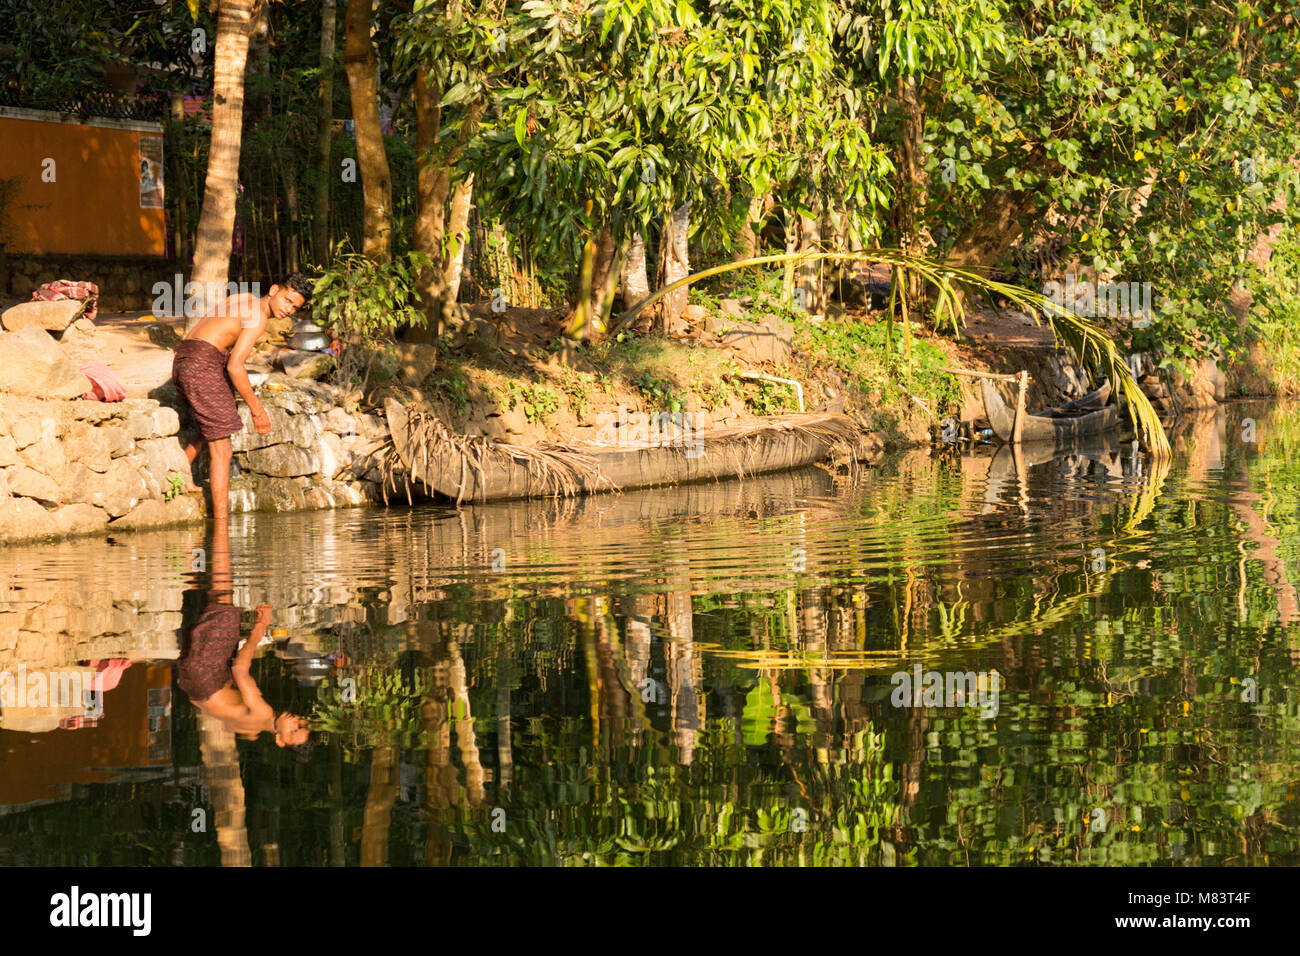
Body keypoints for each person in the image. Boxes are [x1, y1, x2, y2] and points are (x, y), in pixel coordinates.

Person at [172, 274, 311, 522]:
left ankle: (179, 470)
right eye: (287, 300)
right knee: (223, 449)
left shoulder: (243, 297)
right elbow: (236, 366)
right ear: (274, 289)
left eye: (294, 307)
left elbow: (203, 328)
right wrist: (258, 410)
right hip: (201, 363)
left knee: (223, 420)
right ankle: (222, 524)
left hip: (185, 357)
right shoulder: (257, 316)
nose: (288, 309)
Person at [177, 516, 312, 748]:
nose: (296, 720)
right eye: (302, 723)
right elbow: (224, 717)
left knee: (224, 600)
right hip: (192, 685)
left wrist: (260, 627)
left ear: (280, 740)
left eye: (294, 730)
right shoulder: (250, 729)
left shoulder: (264, 714)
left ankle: (217, 530)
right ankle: (194, 547)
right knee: (209, 607)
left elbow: (240, 669)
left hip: (207, 677)